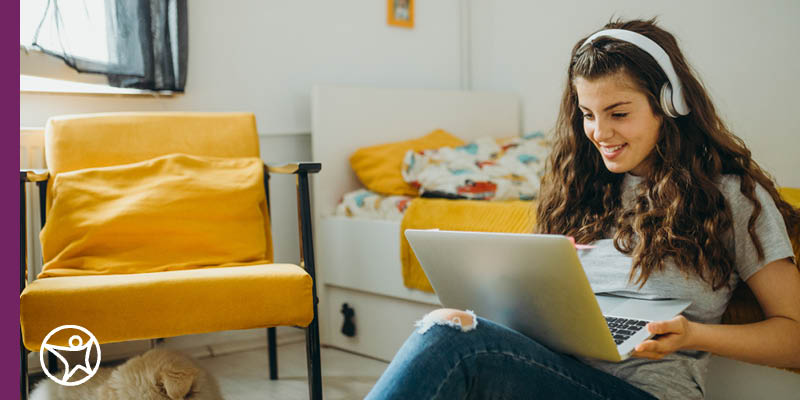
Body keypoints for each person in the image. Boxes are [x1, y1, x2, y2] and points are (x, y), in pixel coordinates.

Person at [365, 18, 800, 400]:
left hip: (640, 392)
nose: (599, 132)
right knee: (453, 323)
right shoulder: (579, 189)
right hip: (548, 374)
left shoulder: (731, 197)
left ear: (669, 106)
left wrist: (692, 335)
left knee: (451, 340)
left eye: (618, 113)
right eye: (587, 114)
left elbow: (794, 335)